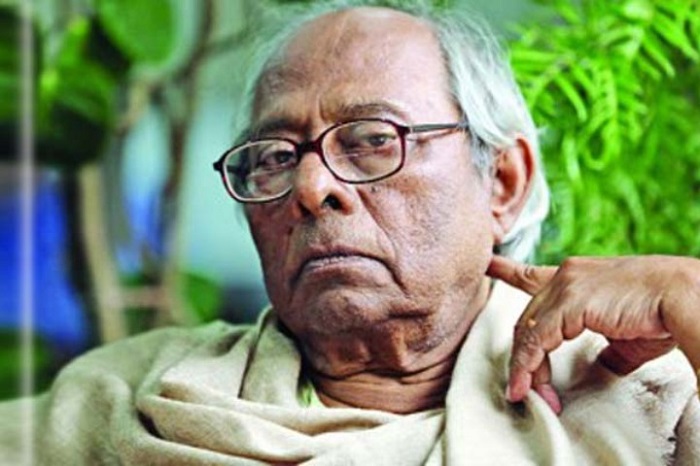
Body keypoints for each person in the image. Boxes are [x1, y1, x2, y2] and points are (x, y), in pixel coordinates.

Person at [2, 1, 699, 464]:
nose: (311, 187)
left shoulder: (648, 401)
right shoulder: (127, 404)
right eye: (275, 157)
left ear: (504, 183)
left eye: (371, 140)